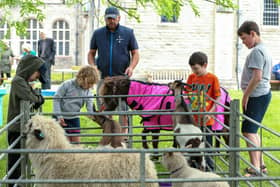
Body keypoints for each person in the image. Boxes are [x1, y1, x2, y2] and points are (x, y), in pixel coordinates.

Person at [87, 6, 140, 134]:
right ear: (105, 19)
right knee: (105, 107)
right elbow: (91, 53)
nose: (111, 21)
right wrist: (93, 67)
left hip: (122, 78)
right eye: (108, 18)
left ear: (119, 18)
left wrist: (131, 67)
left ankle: (124, 135)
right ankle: (109, 133)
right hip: (104, 78)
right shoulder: (97, 34)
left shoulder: (128, 33)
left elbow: (135, 53)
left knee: (123, 108)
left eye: (113, 18)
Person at [237, 21, 272, 177]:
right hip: (261, 94)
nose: (243, 42)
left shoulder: (257, 52)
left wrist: (245, 96)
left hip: (257, 95)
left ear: (253, 33)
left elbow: (257, 77)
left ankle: (255, 168)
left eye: (244, 38)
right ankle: (261, 165)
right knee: (253, 131)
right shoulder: (263, 49)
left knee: (248, 131)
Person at [7, 55, 46, 187]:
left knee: (23, 158)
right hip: (16, 128)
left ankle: (23, 181)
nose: (36, 77)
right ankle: (13, 184)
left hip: (23, 126)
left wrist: (37, 97)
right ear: (30, 68)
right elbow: (30, 97)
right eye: (37, 73)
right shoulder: (17, 81)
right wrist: (38, 98)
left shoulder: (23, 82)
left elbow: (34, 96)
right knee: (15, 162)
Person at [184, 51, 221, 171]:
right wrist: (186, 97)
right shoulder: (191, 77)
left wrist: (210, 112)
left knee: (207, 145)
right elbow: (187, 92)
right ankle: (196, 167)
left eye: (196, 68)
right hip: (194, 118)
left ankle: (210, 169)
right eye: (192, 69)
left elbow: (218, 97)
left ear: (204, 65)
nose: (194, 71)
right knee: (194, 144)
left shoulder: (212, 78)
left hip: (207, 119)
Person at [53, 65, 99, 143]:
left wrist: (91, 113)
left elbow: (89, 103)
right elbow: (56, 99)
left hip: (74, 118)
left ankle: (75, 154)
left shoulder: (87, 90)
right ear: (82, 79)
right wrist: (59, 116)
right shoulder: (67, 85)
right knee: (65, 143)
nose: (90, 86)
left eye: (92, 84)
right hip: (61, 118)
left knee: (76, 142)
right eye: (89, 83)